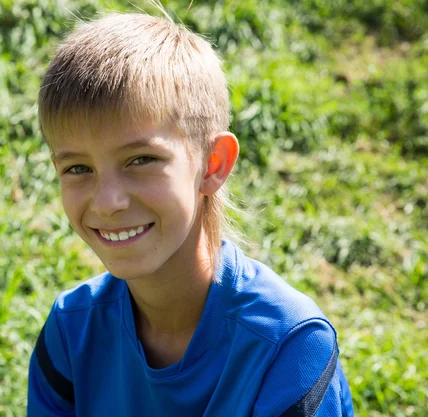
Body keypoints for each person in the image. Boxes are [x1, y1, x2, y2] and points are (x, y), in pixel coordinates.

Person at [27, 12, 354, 417]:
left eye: (141, 159)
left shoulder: (288, 347)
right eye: (77, 169)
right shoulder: (70, 330)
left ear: (213, 164)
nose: (107, 201)